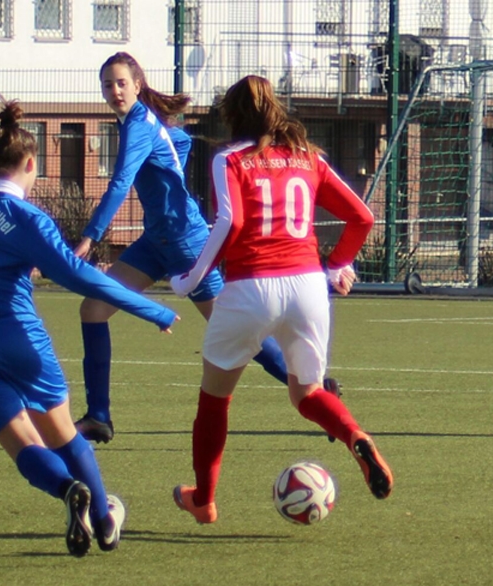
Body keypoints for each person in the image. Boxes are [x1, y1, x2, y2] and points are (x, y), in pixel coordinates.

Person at [0, 99, 179, 556]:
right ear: (31, 164)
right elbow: (78, 275)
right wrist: (152, 309)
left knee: (22, 442)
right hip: (17, 336)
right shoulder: (27, 218)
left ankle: (68, 491)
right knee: (63, 432)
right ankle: (105, 520)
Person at [169, 75, 393, 524]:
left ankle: (205, 499)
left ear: (232, 117)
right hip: (307, 287)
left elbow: (230, 223)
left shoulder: (230, 158)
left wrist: (191, 278)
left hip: (251, 287)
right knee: (307, 392)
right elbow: (363, 217)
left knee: (215, 398)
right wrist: (336, 266)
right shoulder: (308, 157)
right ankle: (354, 436)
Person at [73, 52, 315, 444]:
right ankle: (98, 416)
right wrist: (172, 172)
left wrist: (90, 236)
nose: (115, 90)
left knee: (239, 331)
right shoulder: (143, 122)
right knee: (94, 309)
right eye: (107, 84)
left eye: (121, 83)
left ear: (137, 84)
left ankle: (315, 389)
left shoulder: (139, 124)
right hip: (156, 240)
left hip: (185, 241)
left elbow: (120, 182)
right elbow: (180, 142)